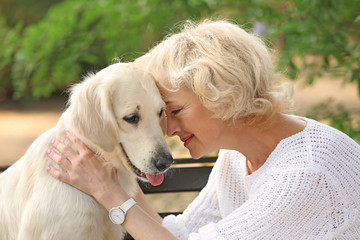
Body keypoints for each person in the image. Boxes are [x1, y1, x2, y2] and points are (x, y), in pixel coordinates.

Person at [47, 19, 360, 239]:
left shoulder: (305, 175)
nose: (167, 129)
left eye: (176, 111)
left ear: (223, 95)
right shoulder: (238, 155)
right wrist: (118, 167)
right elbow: (181, 234)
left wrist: (108, 193)